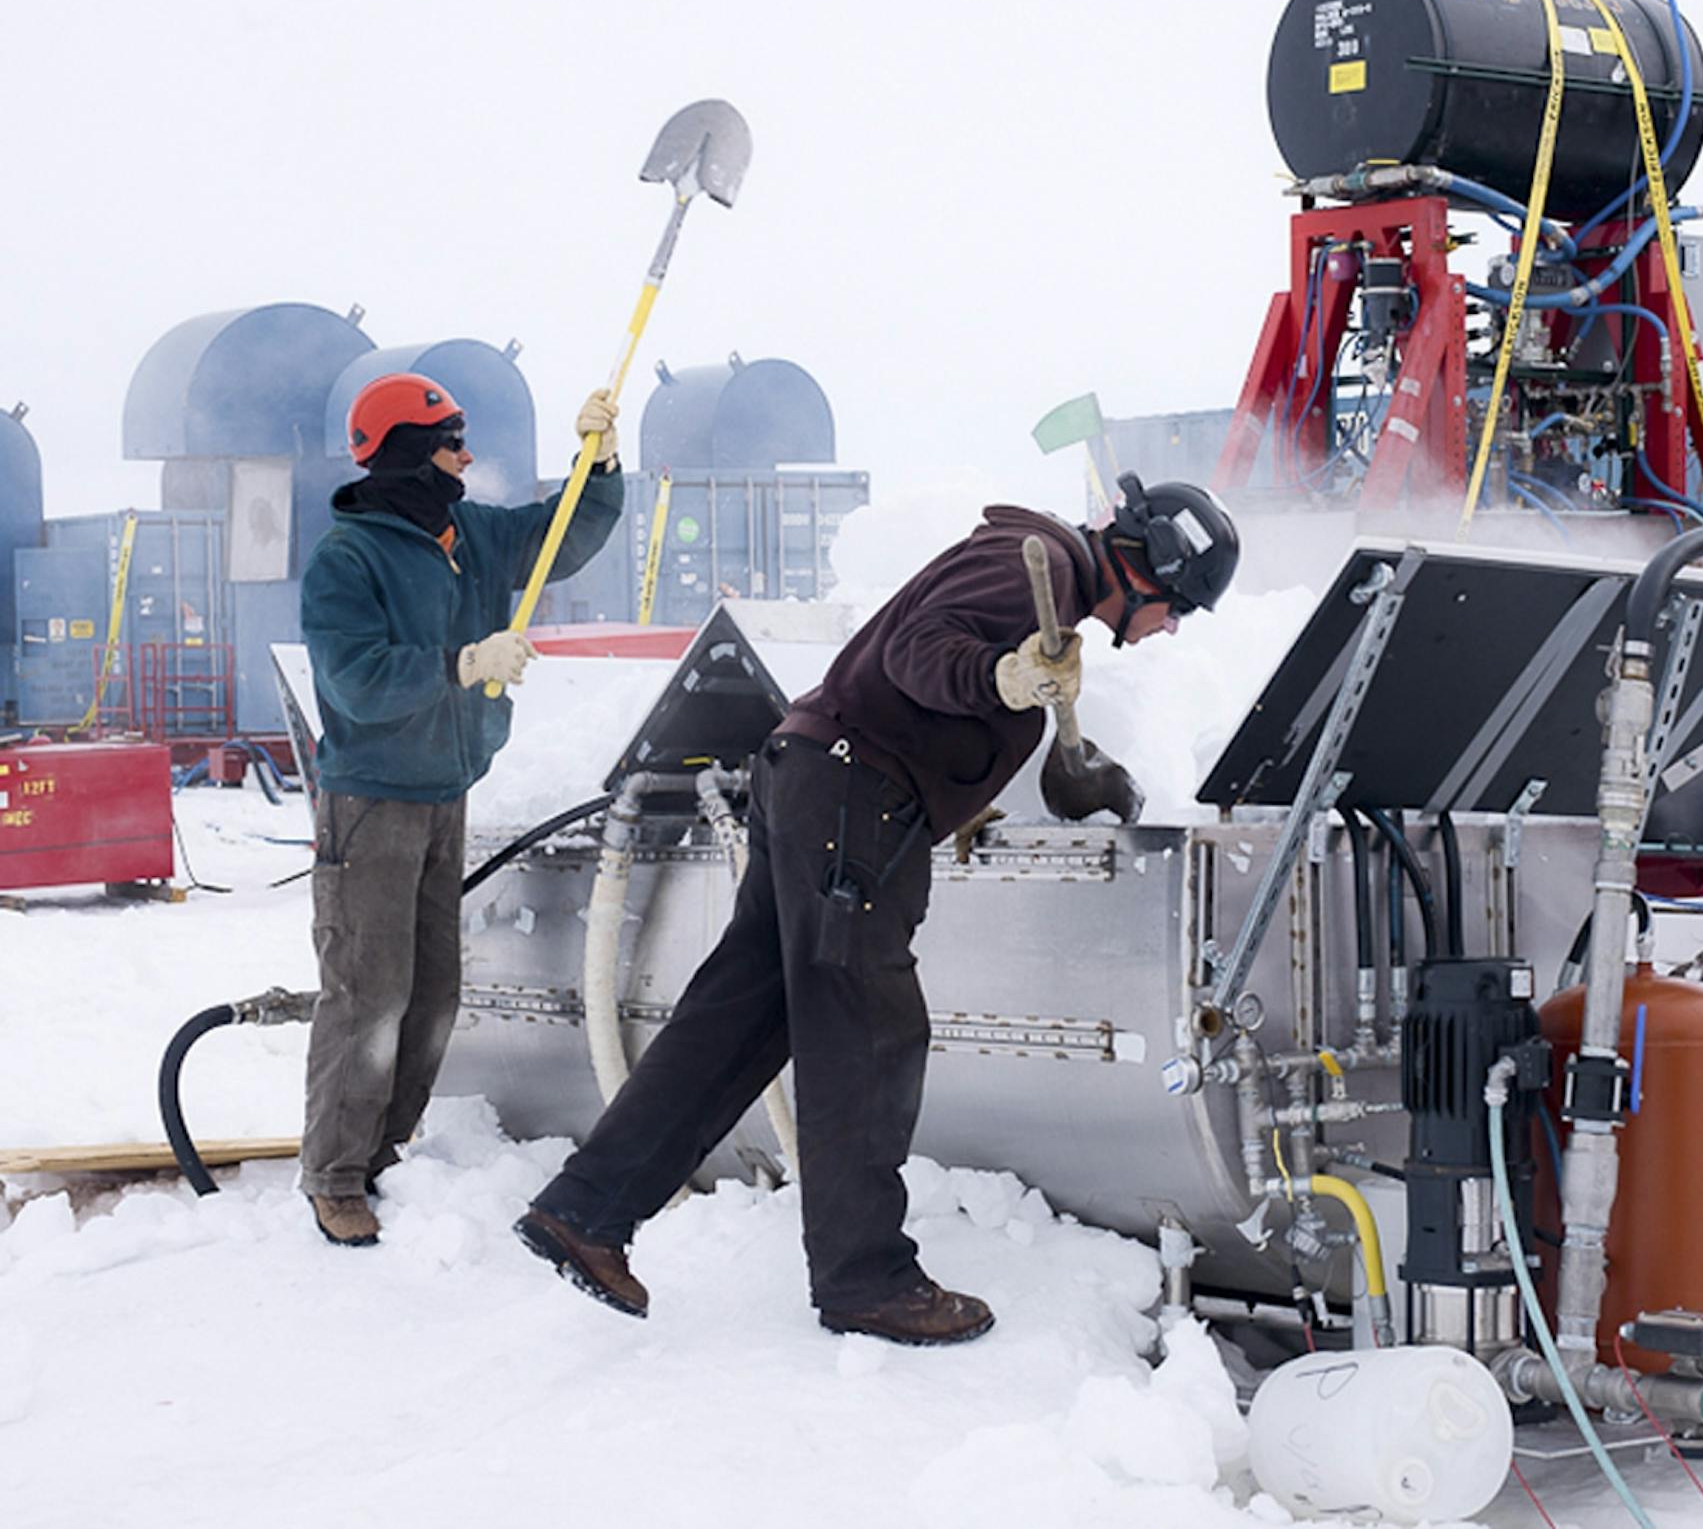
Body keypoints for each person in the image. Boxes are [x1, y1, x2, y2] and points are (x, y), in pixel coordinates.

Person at [515, 473, 1240, 1343]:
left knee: (739, 1020)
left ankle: (586, 1210)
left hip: (820, 782)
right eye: (1179, 610)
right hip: (853, 801)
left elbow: (924, 687)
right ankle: (865, 1279)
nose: (1169, 630)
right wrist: (1002, 676)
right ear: (1150, 569)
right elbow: (922, 655)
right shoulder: (1030, 563)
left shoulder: (1044, 580)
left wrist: (968, 785)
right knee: (866, 1035)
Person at [299, 372, 625, 1247]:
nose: (467, 456)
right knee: (370, 996)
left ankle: (381, 1154)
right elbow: (356, 681)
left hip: (446, 790)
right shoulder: (349, 561)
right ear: (407, 452)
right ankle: (335, 1171)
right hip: (371, 802)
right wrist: (462, 661)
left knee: (434, 996)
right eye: (450, 443)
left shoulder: (467, 534)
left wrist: (599, 463)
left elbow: (561, 538)